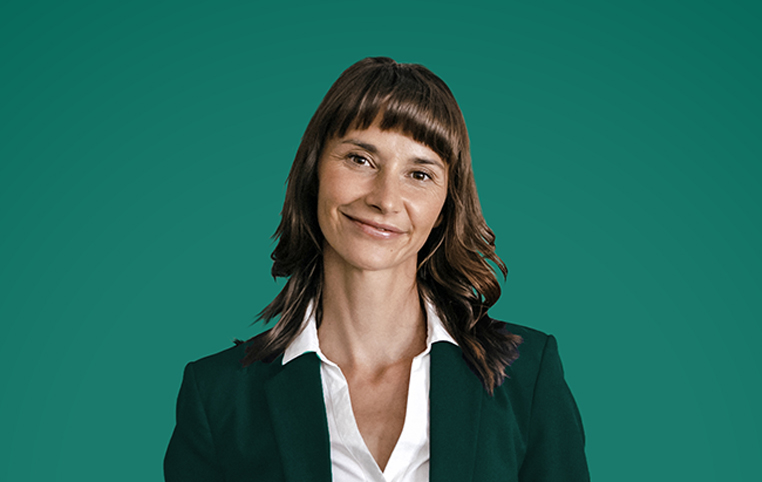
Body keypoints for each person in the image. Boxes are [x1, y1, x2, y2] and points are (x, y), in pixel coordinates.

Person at [164, 57, 589, 482]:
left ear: (445, 207)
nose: (385, 199)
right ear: (313, 171)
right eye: (360, 160)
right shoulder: (218, 397)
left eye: (419, 174)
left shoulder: (526, 376)